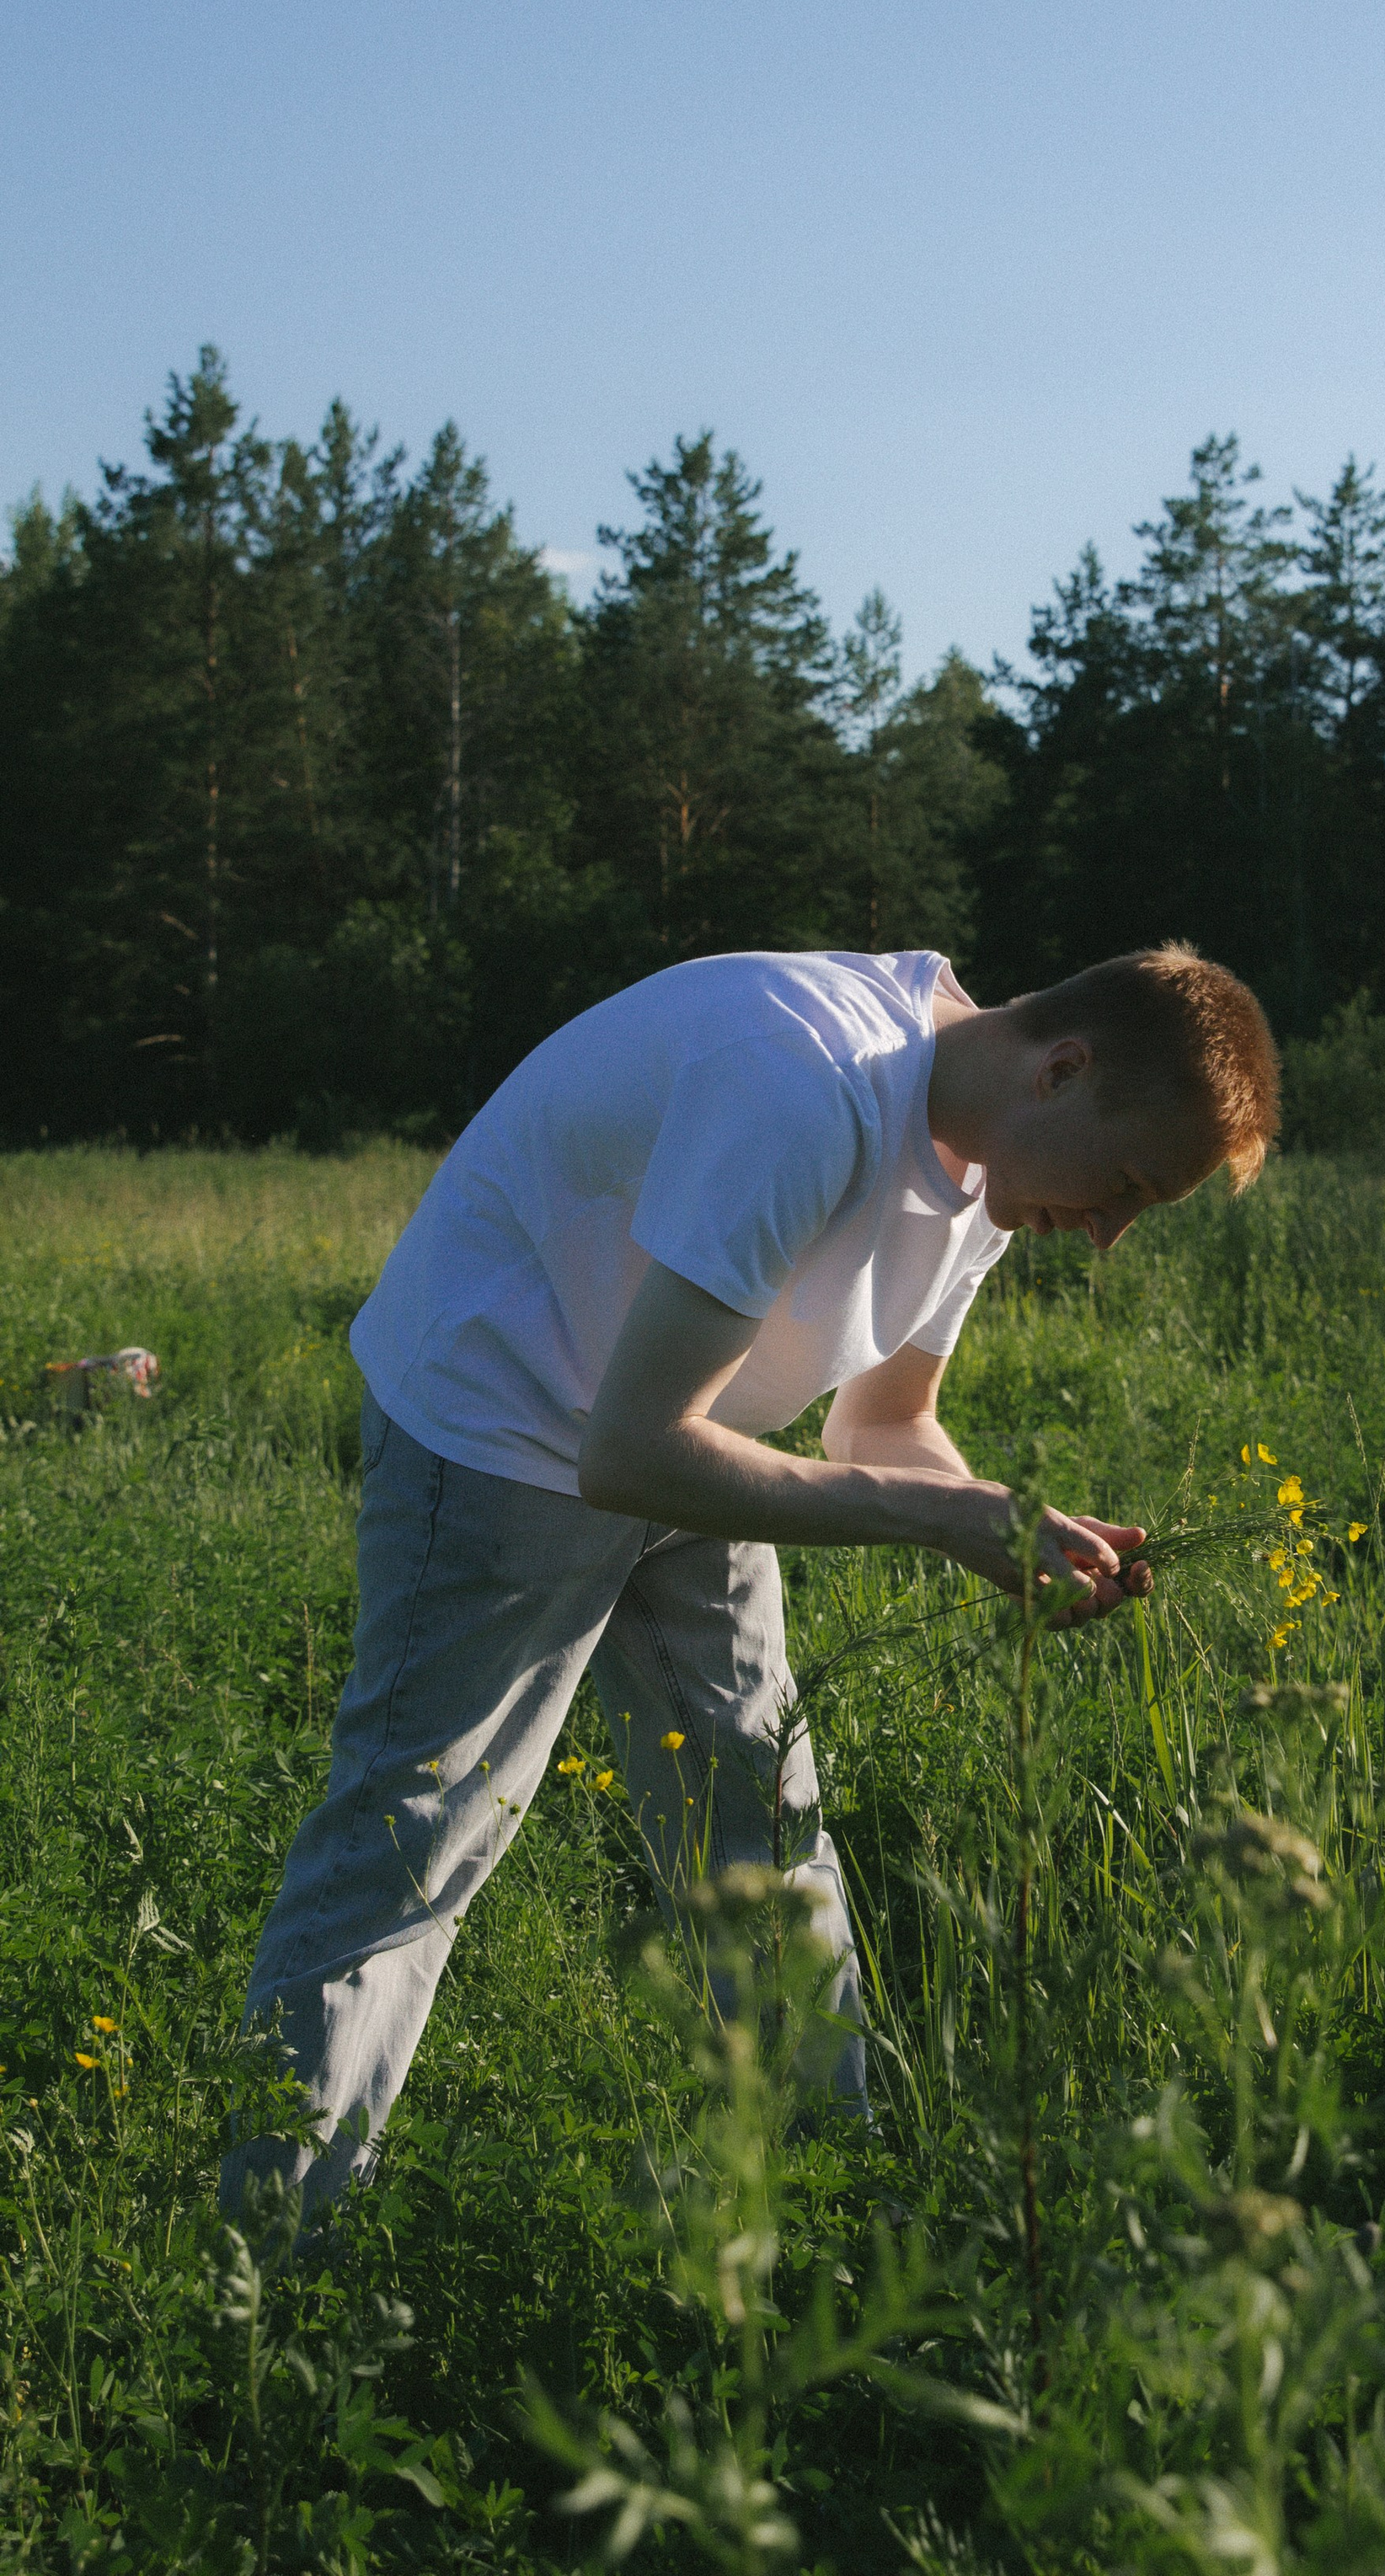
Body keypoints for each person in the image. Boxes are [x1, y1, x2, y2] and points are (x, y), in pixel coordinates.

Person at [223, 943, 1279, 2217]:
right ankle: (266, 2272)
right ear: (1064, 1067)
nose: (1107, 1234)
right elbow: (629, 1454)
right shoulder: (809, 1084)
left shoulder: (994, 1150)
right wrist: (931, 1520)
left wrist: (1001, 1518)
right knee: (416, 1839)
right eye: (1124, 1188)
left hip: (687, 1431)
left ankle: (833, 2220)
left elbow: (883, 1428)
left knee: (765, 1829)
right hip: (504, 1420)